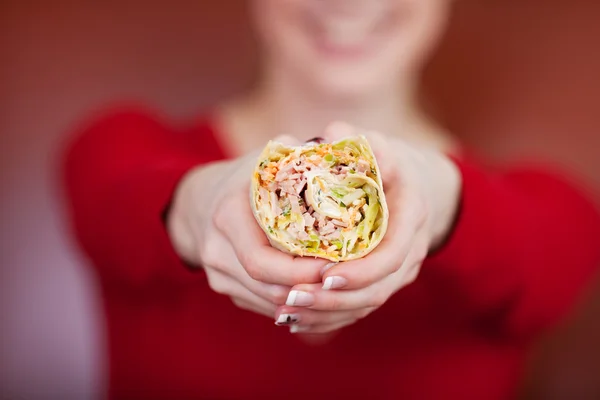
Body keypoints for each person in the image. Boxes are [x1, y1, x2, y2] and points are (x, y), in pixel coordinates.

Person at [62, 0, 600, 399]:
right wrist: (200, 206)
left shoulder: (547, 209)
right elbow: (117, 205)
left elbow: (550, 255)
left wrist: (440, 199)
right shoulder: (118, 148)